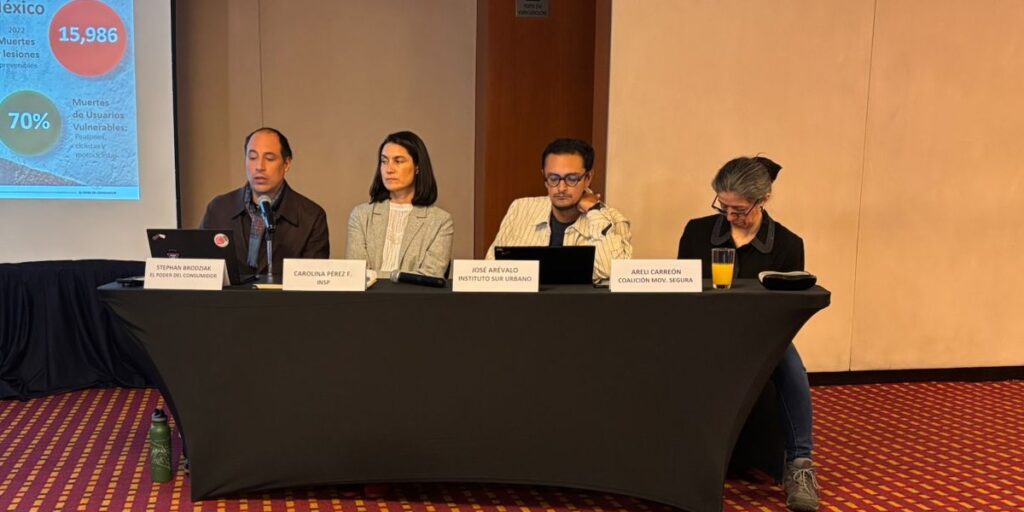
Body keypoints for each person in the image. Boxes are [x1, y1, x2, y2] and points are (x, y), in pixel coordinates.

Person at [677, 156, 819, 512]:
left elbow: (787, 313)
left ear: (763, 200)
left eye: (739, 210)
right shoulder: (697, 232)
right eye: (722, 206)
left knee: (791, 365)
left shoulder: (788, 244)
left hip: (761, 338)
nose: (729, 216)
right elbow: (681, 291)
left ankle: (800, 464)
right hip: (704, 332)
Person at [485, 138, 632, 280]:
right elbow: (491, 270)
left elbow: (611, 273)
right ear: (544, 177)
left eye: (572, 179)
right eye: (553, 178)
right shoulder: (520, 209)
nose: (561, 188)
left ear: (588, 178)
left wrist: (594, 211)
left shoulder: (614, 221)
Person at [201, 127, 330, 277]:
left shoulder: (311, 217)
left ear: (286, 164)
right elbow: (201, 269)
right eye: (252, 157)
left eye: (269, 159)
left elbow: (312, 283)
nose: (259, 167)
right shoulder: (219, 209)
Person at [346, 131, 453, 278]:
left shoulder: (440, 221)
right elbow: (356, 274)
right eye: (384, 161)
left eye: (398, 161)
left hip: (415, 294)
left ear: (417, 167)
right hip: (369, 294)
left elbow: (430, 277)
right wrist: (402, 277)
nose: (389, 169)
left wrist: (376, 275)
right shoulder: (360, 215)